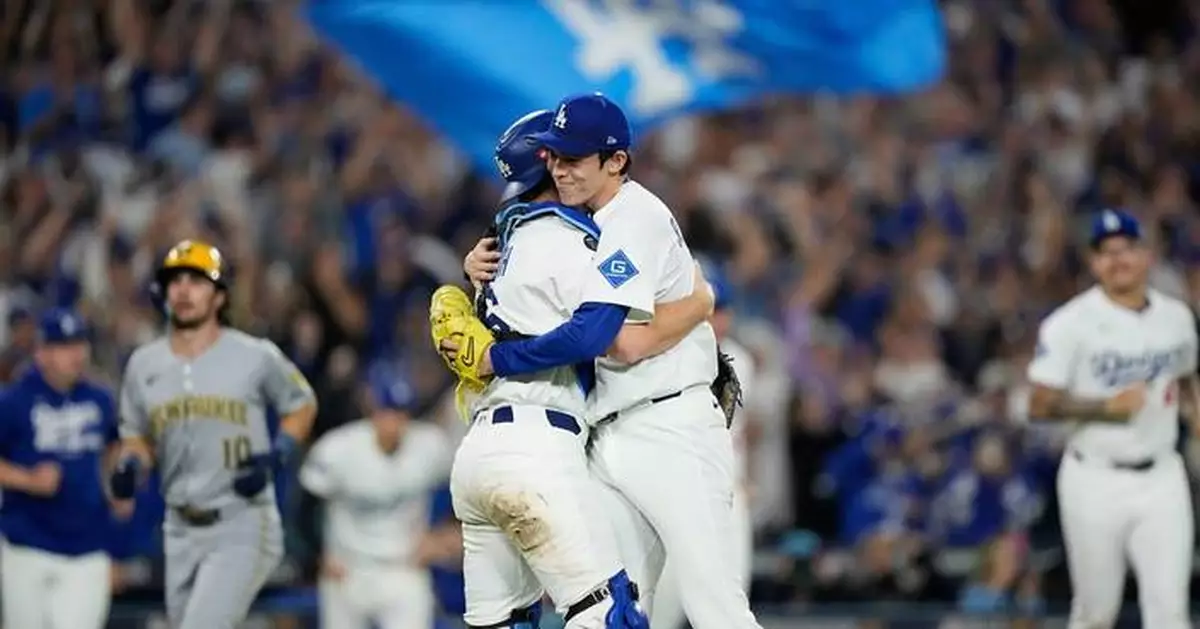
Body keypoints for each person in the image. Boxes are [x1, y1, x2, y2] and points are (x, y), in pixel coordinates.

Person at [456, 93, 762, 629]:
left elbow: (622, 343)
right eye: (554, 157)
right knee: (611, 608)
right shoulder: (584, 225)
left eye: (574, 160)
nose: (559, 170)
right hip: (608, 434)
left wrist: (700, 303)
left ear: (615, 161)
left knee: (715, 608)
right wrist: (477, 265)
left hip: (670, 426)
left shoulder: (633, 214)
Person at [108, 239, 319, 629]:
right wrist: (131, 465)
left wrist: (276, 454)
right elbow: (138, 434)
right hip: (179, 527)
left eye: (196, 281)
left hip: (243, 522)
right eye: (175, 281)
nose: (184, 290)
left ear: (220, 297)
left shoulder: (255, 354)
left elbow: (302, 403)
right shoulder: (144, 364)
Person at [1027, 209, 1197, 629]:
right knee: (1095, 613)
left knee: (1170, 614)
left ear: (1147, 255)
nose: (1118, 260)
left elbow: (1186, 379)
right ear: (1093, 263)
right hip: (1094, 479)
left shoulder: (1176, 317)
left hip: (1162, 476)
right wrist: (1105, 408)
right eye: (1106, 252)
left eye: (1127, 249)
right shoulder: (1069, 324)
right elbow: (1039, 403)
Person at [0, 308, 127, 629]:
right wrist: (26, 479)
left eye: (80, 344)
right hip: (27, 546)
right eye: (64, 347)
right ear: (42, 353)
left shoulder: (99, 399)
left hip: (86, 547)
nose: (76, 355)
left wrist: (118, 483)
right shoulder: (14, 401)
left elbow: (115, 445)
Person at [649, 259, 756, 629]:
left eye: (720, 311)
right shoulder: (662, 354)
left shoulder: (740, 360)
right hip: (670, 492)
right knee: (660, 606)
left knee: (727, 603)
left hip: (724, 494)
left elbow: (744, 433)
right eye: (709, 311)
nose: (714, 320)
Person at [299, 371, 452, 629]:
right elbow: (304, 506)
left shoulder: (430, 445)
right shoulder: (338, 448)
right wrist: (315, 555)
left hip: (403, 568)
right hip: (347, 570)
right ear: (372, 409)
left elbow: (461, 489)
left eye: (401, 412)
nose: (394, 420)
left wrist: (441, 532)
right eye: (387, 411)